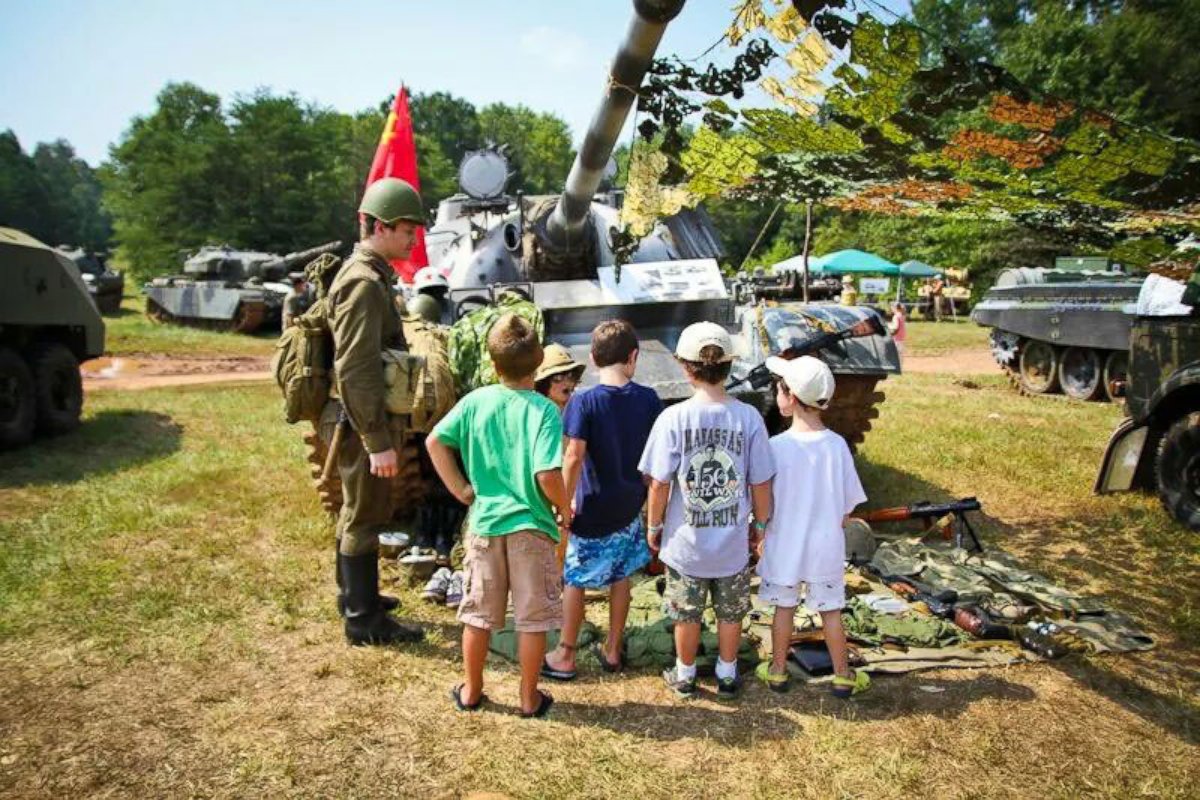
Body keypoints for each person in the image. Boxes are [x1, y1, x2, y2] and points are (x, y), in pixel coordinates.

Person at [426, 313, 572, 718]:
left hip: (486, 525)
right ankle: (528, 697)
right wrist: (564, 507)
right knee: (531, 618)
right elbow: (546, 473)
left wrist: (461, 490)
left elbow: (435, 441)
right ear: (539, 362)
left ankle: (471, 690)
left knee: (478, 614)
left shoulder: (476, 401)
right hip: (531, 528)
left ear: (493, 364)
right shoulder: (544, 410)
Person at [638, 322, 775, 699]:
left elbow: (660, 483)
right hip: (731, 544)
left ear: (684, 366)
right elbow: (760, 480)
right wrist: (760, 525)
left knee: (687, 612)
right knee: (731, 612)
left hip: (686, 544)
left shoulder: (673, 419)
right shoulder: (748, 418)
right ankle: (727, 673)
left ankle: (685, 675)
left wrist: (654, 526)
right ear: (729, 366)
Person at [327, 177, 426, 646]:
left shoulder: (372, 276)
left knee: (358, 507)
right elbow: (355, 369)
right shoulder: (364, 284)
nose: (413, 239)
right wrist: (377, 441)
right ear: (381, 226)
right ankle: (363, 621)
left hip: (358, 414)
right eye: (408, 230)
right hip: (359, 417)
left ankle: (354, 595)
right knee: (366, 513)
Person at [542, 321, 662, 680]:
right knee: (621, 575)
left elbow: (574, 457)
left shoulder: (584, 402)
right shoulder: (649, 398)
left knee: (575, 578)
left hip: (592, 507)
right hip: (629, 505)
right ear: (633, 357)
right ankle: (612, 649)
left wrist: (563, 504)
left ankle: (564, 654)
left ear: (592, 359)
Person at [754, 355, 871, 698]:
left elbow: (766, 503)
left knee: (784, 608)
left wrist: (761, 530)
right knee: (831, 611)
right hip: (825, 547)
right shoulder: (838, 447)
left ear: (789, 397)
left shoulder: (775, 448)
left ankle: (777, 671)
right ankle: (843, 675)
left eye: (779, 387)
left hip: (785, 543)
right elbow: (846, 509)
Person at [533, 343, 586, 412]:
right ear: (544, 384)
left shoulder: (581, 409)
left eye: (571, 375)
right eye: (558, 378)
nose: (567, 382)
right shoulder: (538, 414)